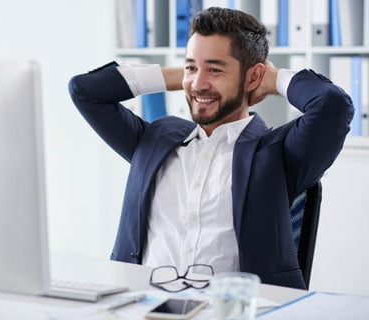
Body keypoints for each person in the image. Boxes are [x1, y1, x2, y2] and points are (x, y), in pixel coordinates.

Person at [68, 7, 354, 289]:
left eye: (215, 69)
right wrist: (186, 75)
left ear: (253, 77)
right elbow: (85, 90)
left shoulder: (275, 153)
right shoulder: (155, 139)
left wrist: (272, 78)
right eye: (191, 67)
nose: (198, 84)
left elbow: (332, 106)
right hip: (143, 306)